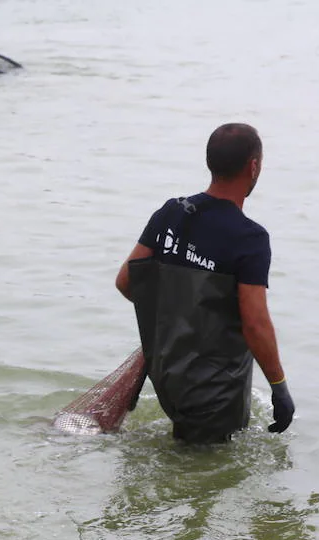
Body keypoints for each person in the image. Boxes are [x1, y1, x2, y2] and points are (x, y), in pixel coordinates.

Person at [115, 123, 293, 444]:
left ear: (210, 161)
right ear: (254, 166)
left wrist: (176, 324)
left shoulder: (171, 213)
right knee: (205, 479)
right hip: (214, 393)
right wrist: (279, 386)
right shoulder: (249, 238)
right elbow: (255, 322)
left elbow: (127, 281)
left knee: (179, 457)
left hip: (167, 377)